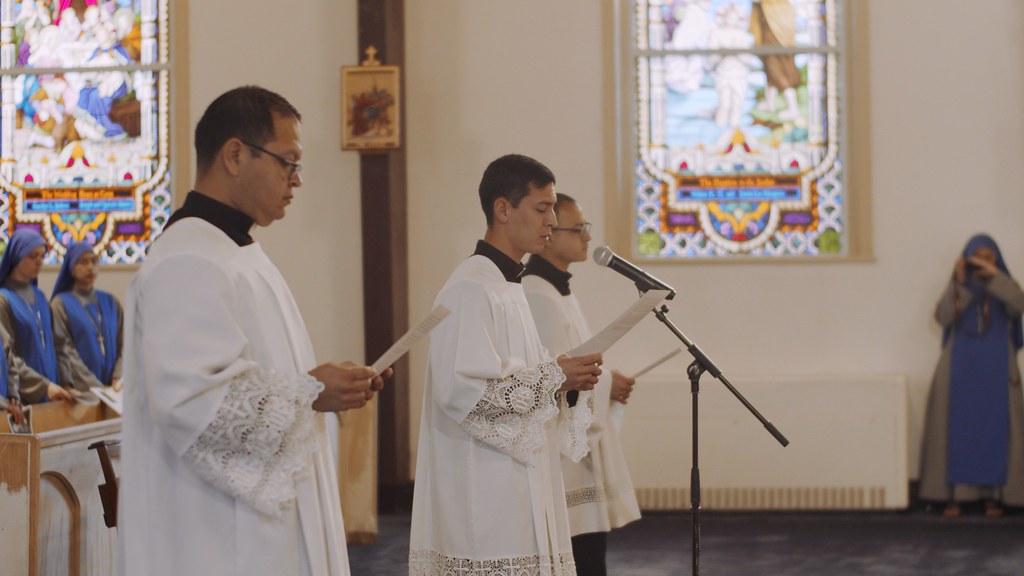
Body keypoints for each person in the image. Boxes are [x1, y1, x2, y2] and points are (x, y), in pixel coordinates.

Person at [118, 86, 390, 576]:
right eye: (288, 162)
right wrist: (311, 392)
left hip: (257, 524)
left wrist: (322, 387)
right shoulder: (187, 260)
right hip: (220, 537)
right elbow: (190, 402)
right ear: (235, 155)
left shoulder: (235, 252)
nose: (296, 180)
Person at [408, 154, 604, 575]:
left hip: (520, 482)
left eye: (553, 209)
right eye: (542, 208)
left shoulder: (507, 285)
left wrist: (563, 377)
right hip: (486, 492)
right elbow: (464, 394)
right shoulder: (469, 288)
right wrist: (555, 377)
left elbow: (517, 379)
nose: (551, 220)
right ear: (503, 209)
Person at [522, 193, 641, 576]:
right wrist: (607, 385)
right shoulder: (536, 293)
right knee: (579, 557)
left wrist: (606, 380)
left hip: (576, 453)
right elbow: (554, 377)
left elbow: (575, 359)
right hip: (561, 456)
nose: (588, 237)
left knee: (590, 555)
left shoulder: (559, 290)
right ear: (550, 236)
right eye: (579, 229)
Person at [919, 234, 1024, 517]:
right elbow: (943, 317)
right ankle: (954, 497)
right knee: (956, 430)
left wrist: (995, 277)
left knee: (997, 430)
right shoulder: (960, 284)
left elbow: (1018, 304)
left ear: (997, 260)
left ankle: (995, 498)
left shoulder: (1005, 285)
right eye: (977, 256)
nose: (982, 262)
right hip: (960, 368)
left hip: (998, 368)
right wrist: (960, 282)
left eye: (988, 257)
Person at [0, 229, 75, 409]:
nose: (39, 261)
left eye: (42, 256)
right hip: (23, 398)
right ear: (17, 256)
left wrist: (66, 382)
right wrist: (43, 387)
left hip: (53, 395)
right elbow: (7, 355)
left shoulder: (40, 297)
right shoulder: (3, 299)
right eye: (33, 256)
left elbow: (58, 343)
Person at [50, 242, 123, 391]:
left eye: (94, 261)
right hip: (81, 392)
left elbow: (124, 345)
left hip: (114, 390)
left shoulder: (111, 302)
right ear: (71, 267)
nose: (90, 267)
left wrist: (117, 377)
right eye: (83, 262)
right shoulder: (60, 304)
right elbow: (66, 352)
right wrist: (96, 388)